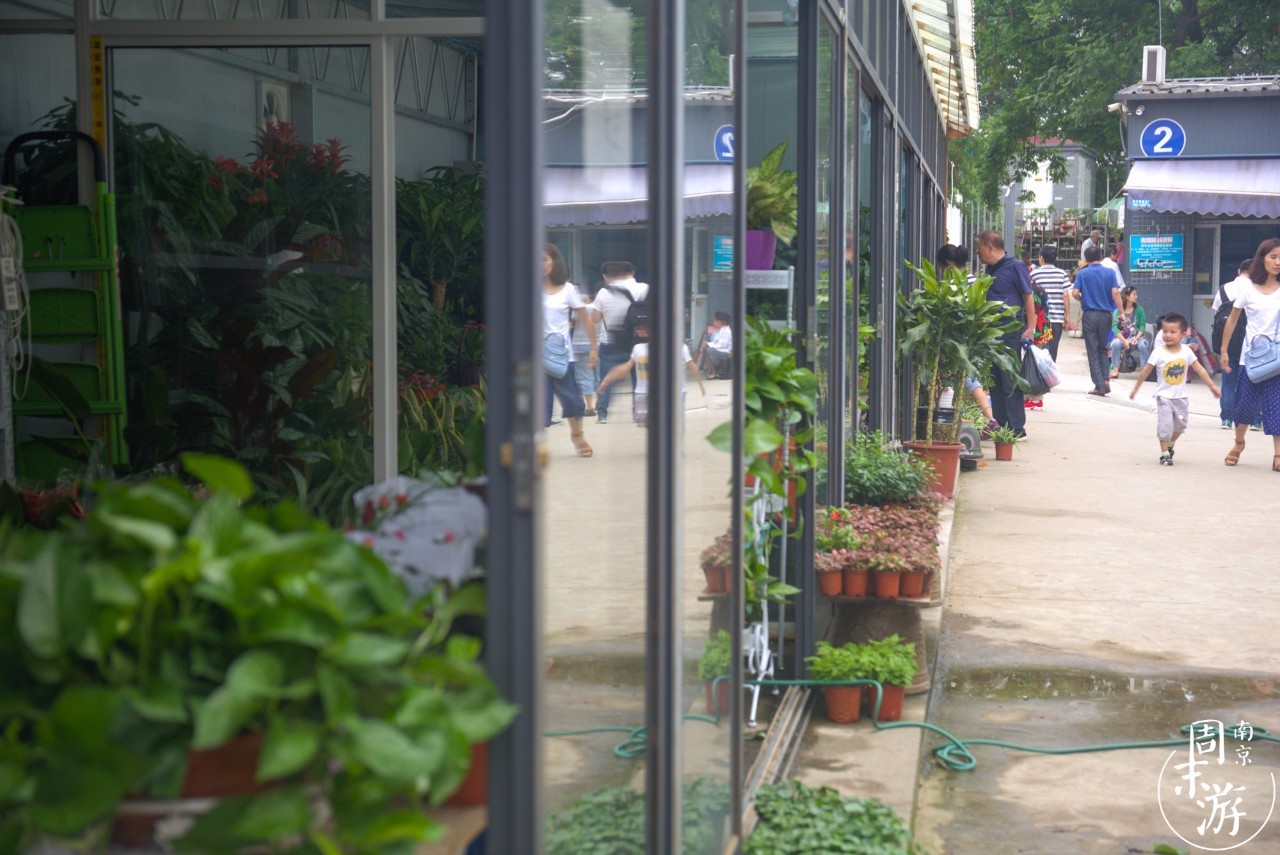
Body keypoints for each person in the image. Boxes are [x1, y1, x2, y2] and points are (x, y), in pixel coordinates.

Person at [1218, 237, 1280, 469]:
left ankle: (1277, 455)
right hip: (1250, 359)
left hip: (1278, 359)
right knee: (1244, 405)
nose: (1277, 262)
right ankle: (1239, 442)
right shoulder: (1248, 289)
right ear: (1261, 258)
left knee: (1276, 406)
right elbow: (1232, 320)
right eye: (1273, 257)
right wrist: (1224, 350)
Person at [1129, 313, 1220, 465]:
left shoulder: (1187, 351)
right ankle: (1165, 453)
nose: (1168, 335)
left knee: (1180, 426)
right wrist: (1136, 389)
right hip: (1163, 396)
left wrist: (1212, 386)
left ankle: (1171, 444)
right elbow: (1145, 371)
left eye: (1172, 332)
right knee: (1165, 426)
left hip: (1181, 397)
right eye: (1165, 331)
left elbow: (1200, 369)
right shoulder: (1158, 352)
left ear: (1183, 334)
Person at [976, 230, 1036, 437]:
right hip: (992, 333)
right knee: (995, 380)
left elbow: (1028, 297)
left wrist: (1031, 327)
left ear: (989, 246)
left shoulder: (1015, 266)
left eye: (979, 248)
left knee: (1010, 378)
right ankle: (1001, 425)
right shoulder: (990, 269)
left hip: (1011, 331)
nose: (978, 253)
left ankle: (1016, 428)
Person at [597, 316, 704, 427]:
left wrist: (606, 380)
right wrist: (607, 380)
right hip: (660, 393)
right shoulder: (679, 348)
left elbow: (625, 368)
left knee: (657, 425)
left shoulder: (639, 349)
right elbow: (692, 366)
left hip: (647, 393)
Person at [937, 244, 999, 435]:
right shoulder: (974, 280)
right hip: (972, 335)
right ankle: (990, 420)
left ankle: (988, 420)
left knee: (963, 379)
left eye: (941, 267)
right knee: (970, 379)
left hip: (955, 336)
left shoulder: (952, 284)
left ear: (948, 263)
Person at [543, 243, 595, 456]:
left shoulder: (568, 290)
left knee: (573, 400)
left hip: (562, 356)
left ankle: (577, 435)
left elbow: (586, 319)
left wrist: (594, 348)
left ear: (555, 261)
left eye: (544, 259)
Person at [591, 260, 650, 424]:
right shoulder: (645, 288)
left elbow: (595, 319)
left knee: (606, 379)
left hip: (612, 342)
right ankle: (638, 412)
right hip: (640, 342)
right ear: (632, 273)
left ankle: (602, 414)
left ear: (607, 276)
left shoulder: (603, 292)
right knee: (640, 380)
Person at [1212, 258, 1261, 430]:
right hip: (1251, 342)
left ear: (1239, 272)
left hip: (1229, 341)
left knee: (1228, 382)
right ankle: (1255, 420)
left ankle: (1226, 419)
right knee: (1256, 381)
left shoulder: (1223, 289)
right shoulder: (1256, 290)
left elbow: (1216, 312)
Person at [1071, 244, 1124, 396]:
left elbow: (1075, 293)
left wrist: (1082, 298)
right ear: (1101, 257)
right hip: (1106, 315)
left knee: (1092, 351)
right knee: (1102, 348)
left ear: (1086, 259)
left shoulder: (1083, 273)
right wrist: (1121, 313)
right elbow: (1115, 293)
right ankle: (1105, 380)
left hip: (1090, 315)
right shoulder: (1109, 272)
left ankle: (1099, 385)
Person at [1029, 243, 1070, 361]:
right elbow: (1065, 295)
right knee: (1052, 350)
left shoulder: (1034, 274)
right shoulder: (1062, 274)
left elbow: (1030, 295)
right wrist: (1067, 315)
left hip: (1040, 319)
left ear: (1041, 258)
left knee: (1040, 349)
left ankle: (1040, 375)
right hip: (1057, 319)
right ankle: (1050, 375)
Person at [570, 285, 602, 416]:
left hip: (579, 345)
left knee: (584, 376)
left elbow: (572, 324)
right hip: (598, 344)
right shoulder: (598, 309)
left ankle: (589, 406)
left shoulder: (576, 311)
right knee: (599, 375)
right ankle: (600, 402)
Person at [1109, 285, 1150, 379]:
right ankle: (1115, 370)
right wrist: (1124, 341)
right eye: (1134, 294)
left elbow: (1142, 327)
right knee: (1115, 344)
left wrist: (1136, 338)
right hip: (1123, 338)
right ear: (1127, 296)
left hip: (1136, 338)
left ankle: (1144, 372)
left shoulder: (1139, 310)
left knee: (1143, 345)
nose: (1136, 296)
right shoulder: (1118, 311)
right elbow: (1115, 329)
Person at [698, 312, 733, 379]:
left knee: (709, 350)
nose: (713, 322)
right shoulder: (721, 330)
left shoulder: (726, 331)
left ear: (719, 321)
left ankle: (711, 372)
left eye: (714, 320)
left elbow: (721, 345)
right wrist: (707, 344)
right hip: (721, 350)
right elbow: (715, 342)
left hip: (725, 352)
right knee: (707, 348)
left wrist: (708, 344)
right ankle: (710, 371)